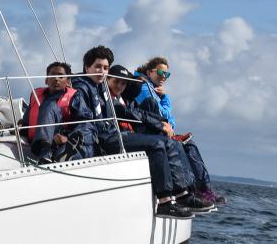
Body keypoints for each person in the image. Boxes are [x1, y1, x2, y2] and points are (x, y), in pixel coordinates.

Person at [68, 46, 208, 216]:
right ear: (87, 67)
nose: (102, 71)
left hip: (114, 134)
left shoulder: (101, 88)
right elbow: (85, 117)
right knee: (157, 144)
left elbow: (127, 111)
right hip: (104, 138)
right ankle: (164, 202)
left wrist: (161, 123)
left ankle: (182, 195)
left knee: (168, 142)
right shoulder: (82, 86)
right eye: (98, 67)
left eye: (105, 68)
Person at [107, 63, 207, 211]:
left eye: (123, 83)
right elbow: (130, 113)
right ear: (108, 79)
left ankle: (188, 192)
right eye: (116, 81)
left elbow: (141, 113)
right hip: (114, 137)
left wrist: (163, 122)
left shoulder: (123, 98)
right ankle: (168, 200)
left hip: (128, 134)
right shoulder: (107, 97)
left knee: (176, 144)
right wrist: (160, 125)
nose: (120, 86)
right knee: (159, 144)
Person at [133, 56, 226, 206]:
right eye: (161, 73)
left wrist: (164, 100)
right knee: (182, 147)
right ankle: (191, 192)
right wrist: (165, 98)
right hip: (150, 131)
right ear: (150, 72)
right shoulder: (144, 88)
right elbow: (163, 114)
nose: (164, 77)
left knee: (190, 145)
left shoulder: (152, 89)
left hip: (157, 129)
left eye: (167, 74)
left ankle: (204, 190)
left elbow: (169, 120)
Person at [24, 61, 77, 162]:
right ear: (46, 80)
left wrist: (68, 138)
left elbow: (82, 123)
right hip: (34, 141)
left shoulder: (75, 98)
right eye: (52, 75)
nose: (56, 79)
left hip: (60, 138)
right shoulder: (36, 96)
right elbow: (26, 121)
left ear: (68, 82)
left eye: (61, 76)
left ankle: (46, 152)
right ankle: (44, 150)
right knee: (48, 105)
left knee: (49, 106)